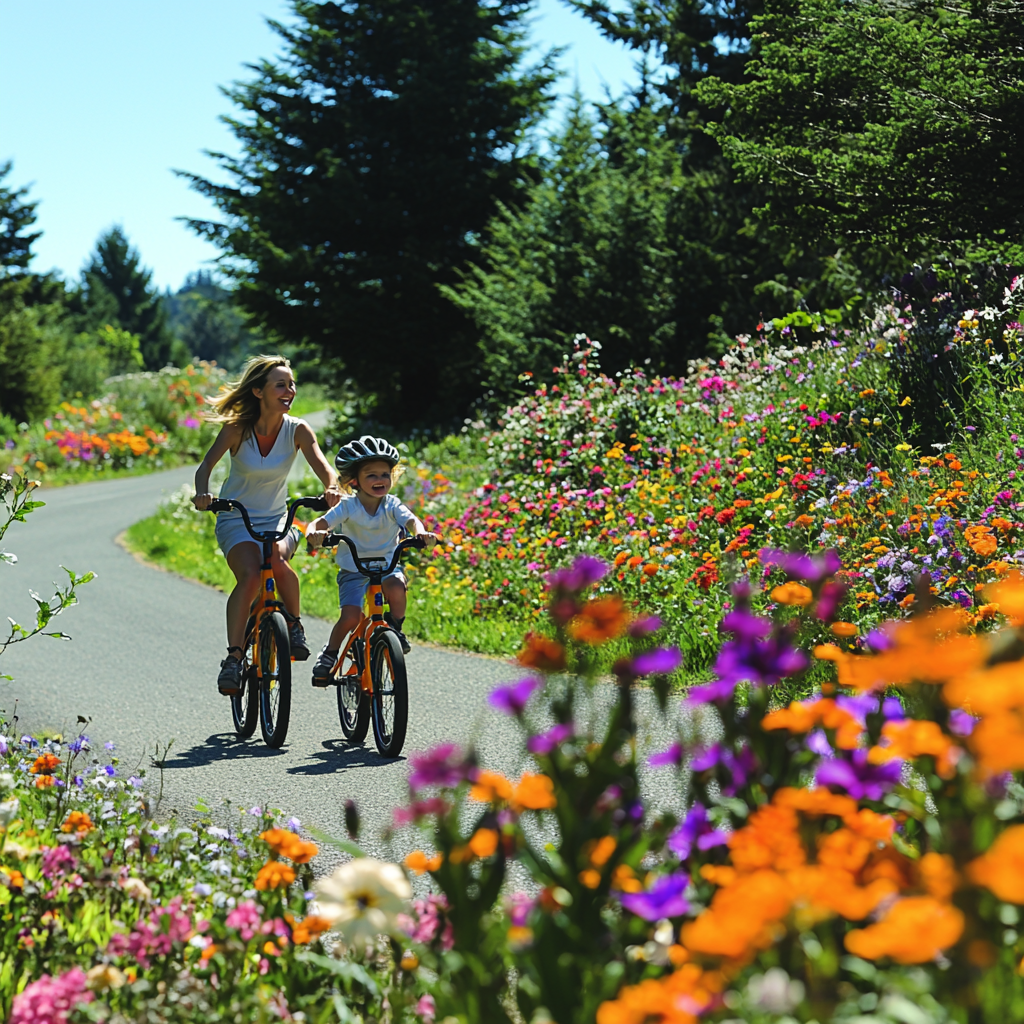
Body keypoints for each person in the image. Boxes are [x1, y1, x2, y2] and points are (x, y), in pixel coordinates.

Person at [192, 355, 341, 695]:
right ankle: (233, 657)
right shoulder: (235, 430)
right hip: (235, 517)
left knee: (276, 558)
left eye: (291, 385)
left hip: (277, 518)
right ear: (258, 391)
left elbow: (324, 466)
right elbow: (205, 469)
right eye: (281, 385)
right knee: (250, 575)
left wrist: (330, 487)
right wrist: (204, 494)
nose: (289, 391)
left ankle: (294, 624)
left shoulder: (297, 429)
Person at [305, 435, 438, 683]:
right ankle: (330, 654)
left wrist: (420, 533)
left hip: (386, 566)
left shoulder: (391, 505)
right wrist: (315, 532)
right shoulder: (348, 507)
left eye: (385, 474)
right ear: (355, 481)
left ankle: (395, 629)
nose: (380, 480)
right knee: (351, 616)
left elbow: (411, 520)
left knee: (398, 588)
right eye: (371, 475)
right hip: (354, 570)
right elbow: (320, 522)